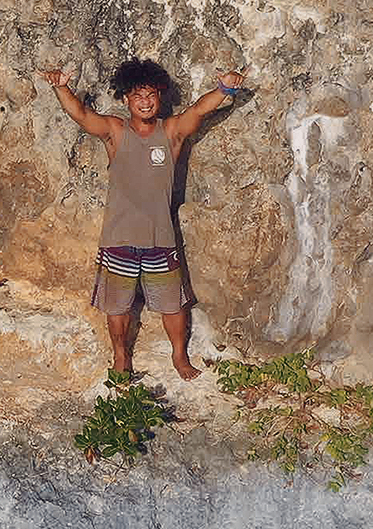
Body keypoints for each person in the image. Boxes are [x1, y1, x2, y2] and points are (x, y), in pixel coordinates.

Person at [39, 57, 246, 381]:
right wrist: (62, 87)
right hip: (119, 237)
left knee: (173, 305)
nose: (145, 102)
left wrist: (224, 88)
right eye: (138, 95)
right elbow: (80, 114)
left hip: (160, 238)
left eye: (151, 95)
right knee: (117, 307)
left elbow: (199, 110)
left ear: (159, 96)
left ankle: (180, 356)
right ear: (126, 99)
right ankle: (121, 356)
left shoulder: (172, 132)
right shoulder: (115, 132)